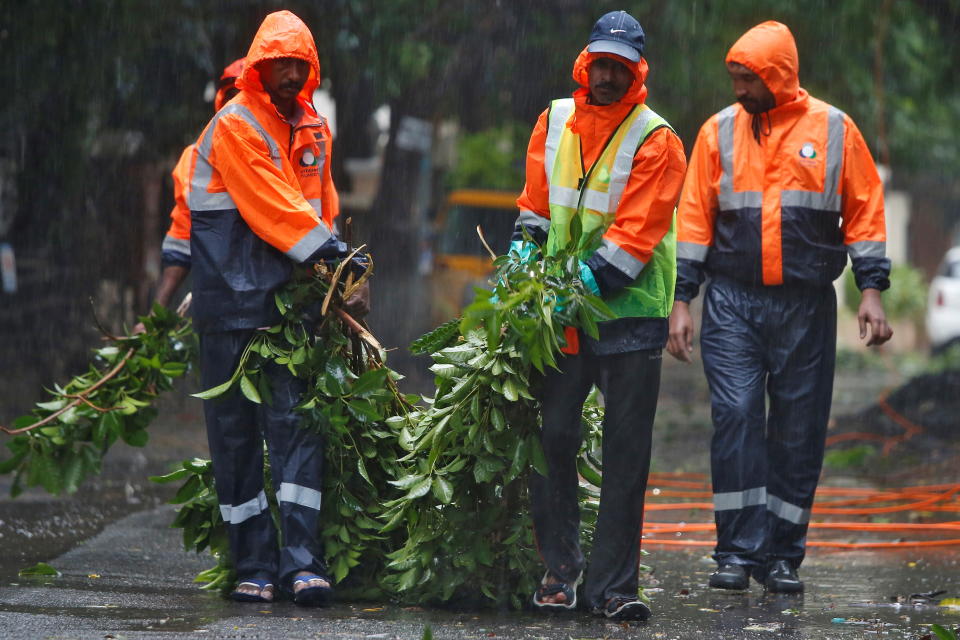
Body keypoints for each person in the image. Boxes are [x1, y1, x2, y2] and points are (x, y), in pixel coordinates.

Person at [667, 21, 893, 593]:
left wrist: (871, 290)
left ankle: (783, 556)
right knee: (738, 418)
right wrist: (681, 301)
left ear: (778, 76)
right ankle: (737, 553)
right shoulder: (717, 132)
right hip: (732, 305)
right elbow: (694, 219)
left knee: (798, 430)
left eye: (748, 79)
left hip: (805, 306)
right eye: (735, 78)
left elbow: (864, 209)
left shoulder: (836, 130)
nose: (739, 89)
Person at [183, 10, 366, 605]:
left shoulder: (314, 130)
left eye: (299, 64)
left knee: (299, 433)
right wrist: (337, 259)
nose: (289, 73)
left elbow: (321, 205)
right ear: (258, 67)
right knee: (235, 442)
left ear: (311, 68)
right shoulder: (234, 125)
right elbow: (277, 208)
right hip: (231, 307)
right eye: (277, 63)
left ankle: (303, 565)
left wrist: (338, 282)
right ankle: (253, 567)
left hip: (290, 312)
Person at [512, 10, 686, 621]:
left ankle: (614, 587)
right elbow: (536, 206)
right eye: (599, 64)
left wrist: (581, 283)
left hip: (630, 312)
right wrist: (521, 258)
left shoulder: (656, 138)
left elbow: (636, 237)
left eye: (619, 67)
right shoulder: (554, 120)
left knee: (624, 454)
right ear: (585, 63)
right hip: (561, 315)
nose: (606, 77)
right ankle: (560, 571)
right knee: (551, 436)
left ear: (637, 71)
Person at [149, 57, 245, 311]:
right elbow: (182, 238)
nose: (240, 110)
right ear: (221, 105)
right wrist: (155, 320)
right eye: (233, 98)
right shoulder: (195, 161)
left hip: (281, 304)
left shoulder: (293, 152)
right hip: (218, 306)